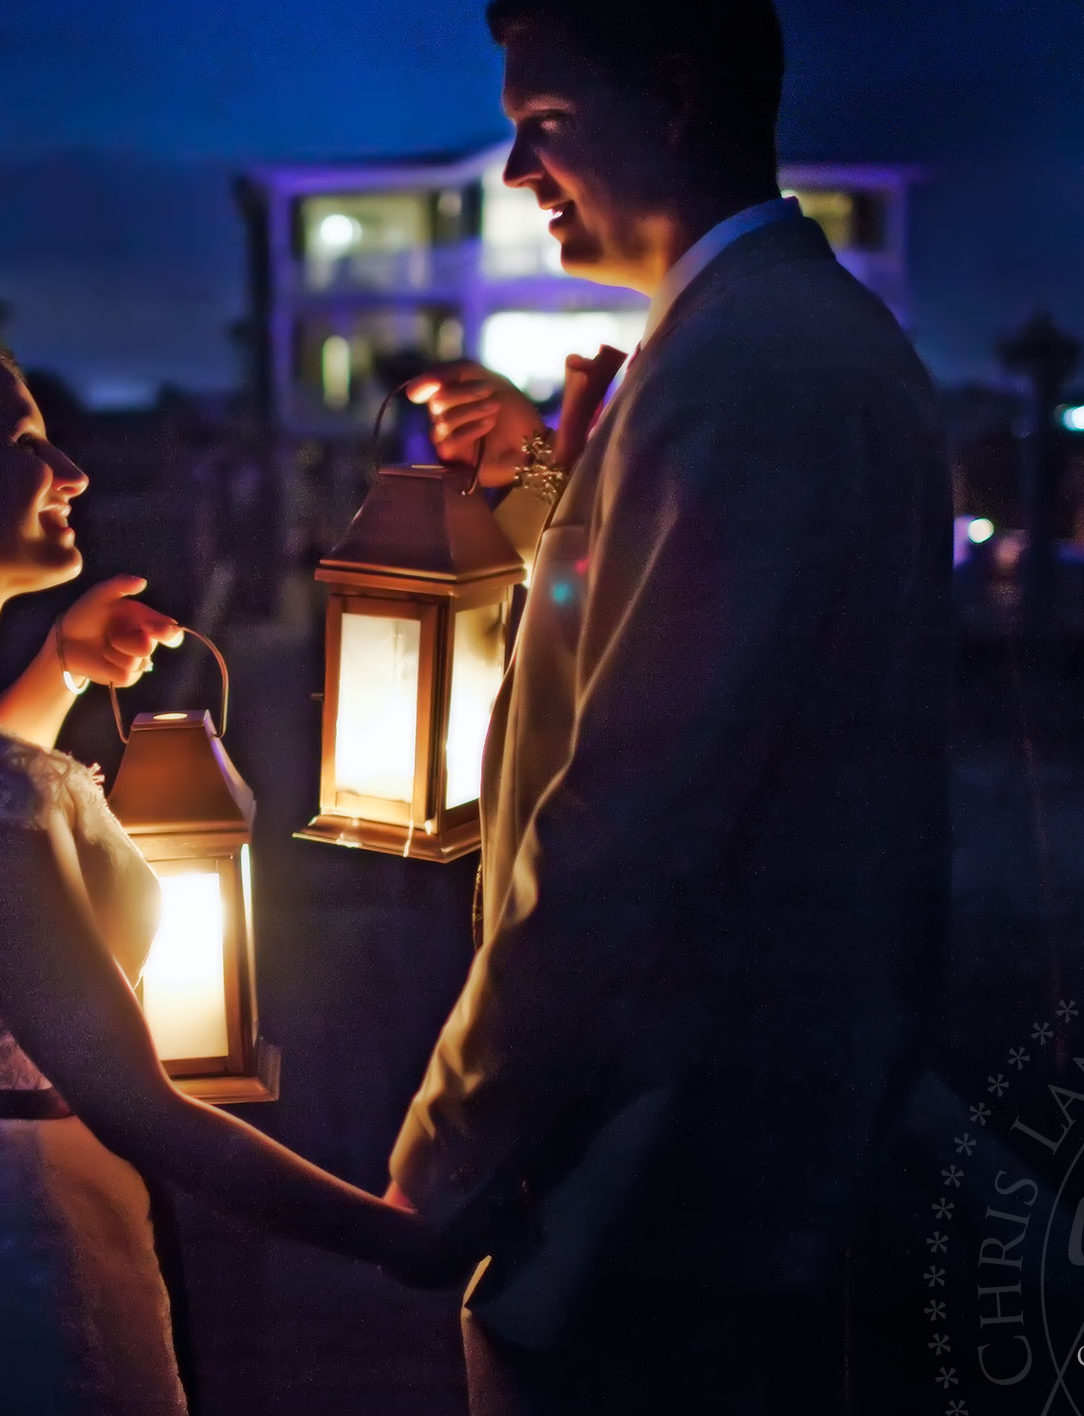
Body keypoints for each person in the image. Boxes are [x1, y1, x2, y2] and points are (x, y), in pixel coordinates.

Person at [390, 1, 951, 1409]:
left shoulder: (744, 370)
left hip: (671, 1168)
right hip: (712, 1146)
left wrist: (463, 1121)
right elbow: (641, 612)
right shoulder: (760, 340)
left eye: (547, 129)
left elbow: (632, 802)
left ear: (681, 99)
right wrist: (538, 483)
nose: (520, 174)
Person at [0, 338, 437, 1415]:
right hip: (19, 1226)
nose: (72, 471)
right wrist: (394, 1235)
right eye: (26, 439)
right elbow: (141, 1107)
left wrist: (66, 667)